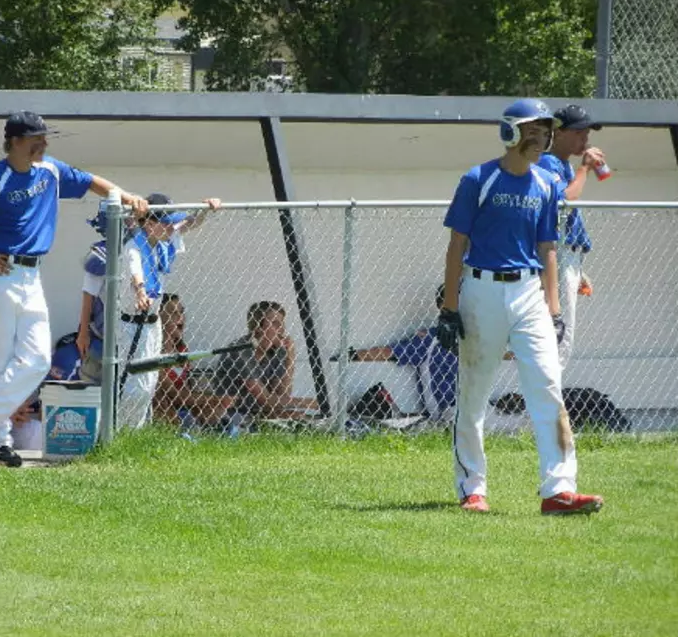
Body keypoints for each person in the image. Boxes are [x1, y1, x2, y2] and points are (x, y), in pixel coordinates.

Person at [437, 98, 603, 515]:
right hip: (482, 290)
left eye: (545, 130)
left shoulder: (546, 184)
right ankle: (472, 488)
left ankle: (559, 490)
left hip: (530, 294)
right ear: (510, 131)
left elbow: (548, 249)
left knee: (548, 387)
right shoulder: (479, 179)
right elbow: (457, 244)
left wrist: (555, 310)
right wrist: (449, 307)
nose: (541, 136)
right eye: (532, 128)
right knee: (474, 393)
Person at [0, 111, 148, 467]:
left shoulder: (49, 169)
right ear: (15, 141)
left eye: (45, 137)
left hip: (31, 275)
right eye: (36, 137)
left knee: (35, 361)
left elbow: (90, 181)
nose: (44, 143)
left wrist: (126, 196)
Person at [78, 193, 221, 429]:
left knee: (150, 382)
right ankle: (121, 431)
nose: (170, 227)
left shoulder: (161, 240)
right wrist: (141, 292)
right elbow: (135, 271)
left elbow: (189, 224)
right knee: (134, 386)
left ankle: (137, 429)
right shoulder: (134, 245)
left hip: (153, 324)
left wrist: (206, 209)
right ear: (150, 224)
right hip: (131, 324)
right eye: (165, 223)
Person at [349, 285, 514, 424]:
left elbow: (498, 353)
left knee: (525, 415)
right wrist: (351, 355)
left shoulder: (470, 338)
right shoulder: (429, 340)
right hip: (449, 411)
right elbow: (388, 352)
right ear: (444, 308)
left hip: (478, 406)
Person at [537, 104, 605, 368]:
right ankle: (551, 404)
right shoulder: (547, 161)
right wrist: (585, 168)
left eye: (586, 133)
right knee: (560, 332)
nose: (584, 139)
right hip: (558, 251)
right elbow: (566, 198)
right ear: (559, 131)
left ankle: (550, 400)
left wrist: (578, 269)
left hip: (568, 254)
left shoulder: (562, 163)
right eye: (578, 133)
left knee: (563, 331)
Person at [212, 301, 318, 433]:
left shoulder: (277, 351)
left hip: (259, 412)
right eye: (275, 323)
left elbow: (282, 395)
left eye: (282, 322)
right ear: (258, 327)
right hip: (233, 413)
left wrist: (290, 357)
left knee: (302, 419)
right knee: (297, 419)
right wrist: (308, 403)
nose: (282, 328)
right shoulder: (241, 351)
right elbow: (267, 401)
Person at [151, 293, 234, 429]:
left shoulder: (182, 349)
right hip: (163, 404)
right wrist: (213, 399)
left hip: (181, 404)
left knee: (211, 406)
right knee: (160, 398)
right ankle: (177, 433)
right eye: (173, 313)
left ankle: (214, 432)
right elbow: (172, 393)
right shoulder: (154, 352)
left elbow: (186, 390)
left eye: (181, 312)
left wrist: (210, 401)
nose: (180, 317)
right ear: (159, 318)